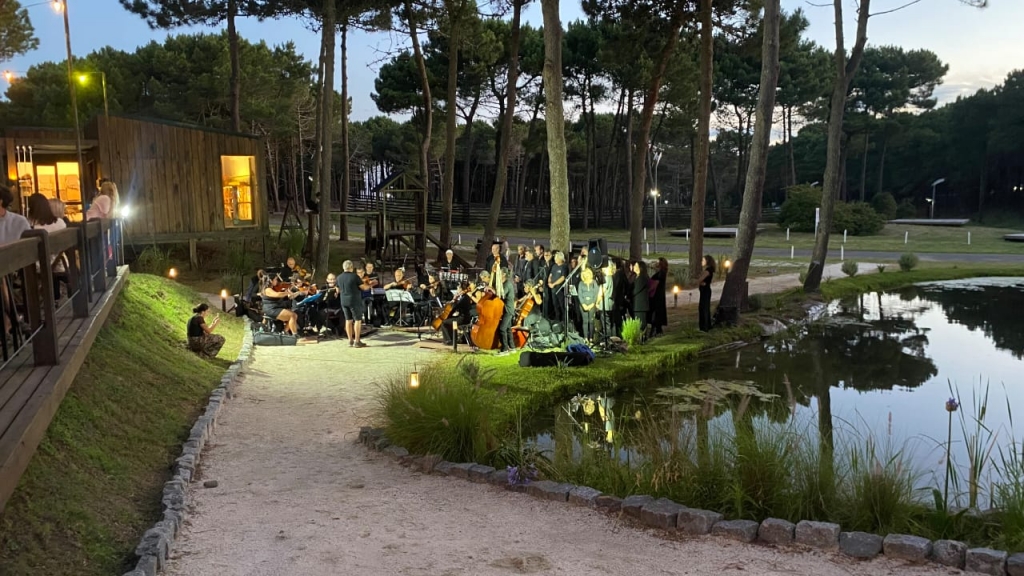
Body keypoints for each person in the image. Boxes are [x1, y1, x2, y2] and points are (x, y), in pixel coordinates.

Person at [339, 260, 367, 347]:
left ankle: (350, 340)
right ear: (351, 267)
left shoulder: (339, 277)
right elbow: (363, 288)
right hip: (354, 301)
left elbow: (338, 289)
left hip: (343, 301)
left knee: (348, 320)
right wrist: (368, 285)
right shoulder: (355, 276)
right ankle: (357, 341)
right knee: (358, 320)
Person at [577, 267, 600, 343]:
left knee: (591, 321)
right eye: (585, 275)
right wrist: (583, 304)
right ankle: (585, 337)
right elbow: (580, 295)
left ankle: (591, 337)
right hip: (583, 305)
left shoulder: (594, 283)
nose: (586, 276)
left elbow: (596, 294)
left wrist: (592, 304)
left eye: (587, 274)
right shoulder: (581, 283)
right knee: (585, 321)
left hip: (592, 305)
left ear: (590, 274)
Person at [546, 251, 568, 322]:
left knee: (562, 305)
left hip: (560, 289)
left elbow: (563, 277)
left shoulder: (564, 266)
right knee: (555, 305)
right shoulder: (554, 266)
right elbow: (550, 275)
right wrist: (549, 282)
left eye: (556, 258)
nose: (555, 259)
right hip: (553, 290)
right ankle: (557, 319)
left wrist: (554, 284)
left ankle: (564, 320)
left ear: (560, 258)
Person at [649, 257, 669, 336]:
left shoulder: (661, 273)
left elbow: (656, 283)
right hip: (658, 294)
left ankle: (656, 329)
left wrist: (648, 290)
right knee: (656, 311)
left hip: (657, 295)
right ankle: (657, 329)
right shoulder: (661, 272)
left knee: (656, 311)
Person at [697, 255, 717, 332]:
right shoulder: (709, 270)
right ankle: (707, 325)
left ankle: (704, 326)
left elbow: (699, 280)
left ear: (707, 261)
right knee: (705, 307)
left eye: (703, 260)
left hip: (705, 290)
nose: (702, 262)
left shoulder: (707, 271)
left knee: (703, 308)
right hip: (706, 290)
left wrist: (699, 281)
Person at [632, 260, 650, 334]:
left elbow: (635, 290)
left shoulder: (642, 278)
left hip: (640, 305)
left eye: (636, 266)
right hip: (638, 305)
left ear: (640, 268)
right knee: (638, 322)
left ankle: (643, 336)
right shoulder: (637, 277)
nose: (634, 267)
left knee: (641, 323)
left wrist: (628, 294)